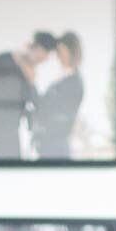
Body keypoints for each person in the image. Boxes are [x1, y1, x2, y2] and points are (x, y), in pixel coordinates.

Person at [0, 31, 54, 160]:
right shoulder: (3, 61)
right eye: (41, 56)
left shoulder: (29, 76)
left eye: (44, 59)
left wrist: (31, 82)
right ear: (34, 48)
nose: (41, 62)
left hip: (10, 141)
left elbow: (36, 106)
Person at [31, 31, 83, 161]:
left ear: (71, 52)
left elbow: (51, 109)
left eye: (61, 51)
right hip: (48, 145)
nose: (58, 56)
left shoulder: (74, 82)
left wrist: (30, 83)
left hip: (56, 146)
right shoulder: (61, 78)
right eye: (58, 52)